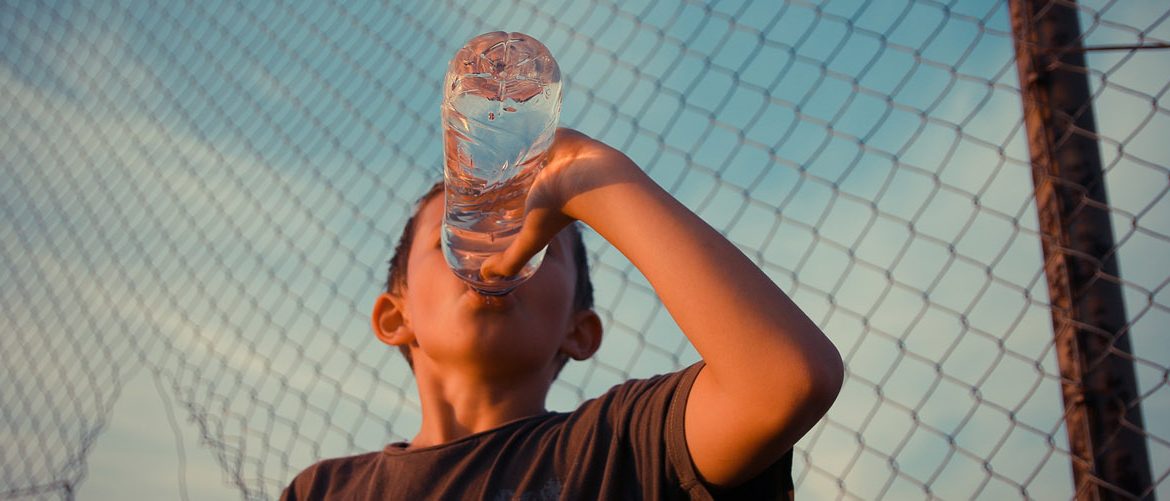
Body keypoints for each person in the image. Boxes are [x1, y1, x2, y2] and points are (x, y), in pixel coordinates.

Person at [281, 128, 844, 500]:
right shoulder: (325, 490)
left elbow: (785, 380)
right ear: (393, 317)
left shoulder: (623, 448)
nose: (497, 250)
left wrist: (584, 176)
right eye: (461, 231)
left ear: (580, 331)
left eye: (535, 240)